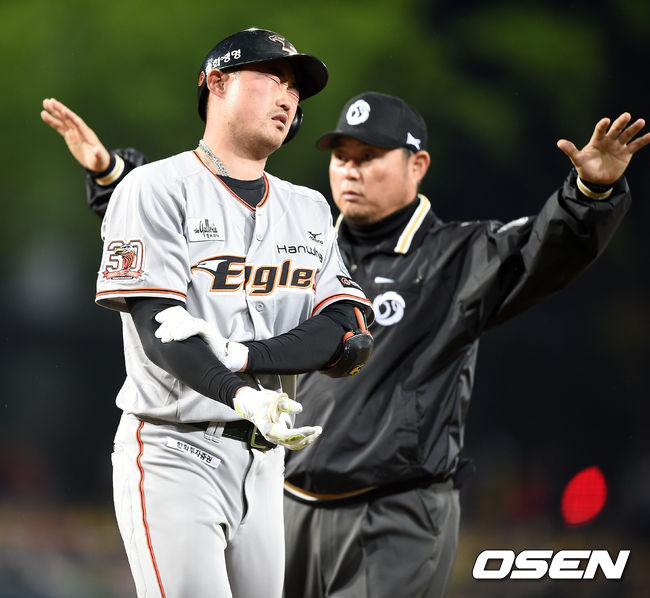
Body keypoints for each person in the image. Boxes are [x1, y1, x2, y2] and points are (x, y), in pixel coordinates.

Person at [42, 87, 649, 597]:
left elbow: (543, 250)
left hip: (394, 512)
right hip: (286, 500)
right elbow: (187, 245)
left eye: (370, 156)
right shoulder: (301, 233)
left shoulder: (459, 256)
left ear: (417, 165)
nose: (350, 169)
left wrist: (588, 196)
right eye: (341, 156)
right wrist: (113, 177)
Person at [43, 28, 375, 598]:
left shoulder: (309, 208)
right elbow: (160, 331)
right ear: (217, 83)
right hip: (174, 452)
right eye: (273, 77)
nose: (288, 97)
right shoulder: (154, 188)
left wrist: (245, 357)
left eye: (295, 88)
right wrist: (242, 393)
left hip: (266, 462)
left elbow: (347, 333)